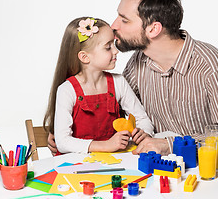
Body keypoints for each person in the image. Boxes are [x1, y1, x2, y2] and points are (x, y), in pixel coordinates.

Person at [48, 0, 218, 167]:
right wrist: (67, 134)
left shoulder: (210, 65)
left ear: (153, 29)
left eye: (124, 20)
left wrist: (171, 144)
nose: (114, 26)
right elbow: (117, 114)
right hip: (172, 172)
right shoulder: (136, 65)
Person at [43, 17, 154, 154]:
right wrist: (106, 145)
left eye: (113, 44)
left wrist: (145, 133)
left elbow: (142, 118)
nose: (116, 51)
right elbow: (63, 142)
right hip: (76, 167)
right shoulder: (67, 90)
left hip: (113, 163)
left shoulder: (118, 82)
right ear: (84, 57)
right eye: (108, 47)